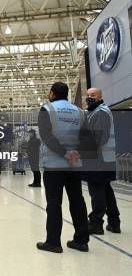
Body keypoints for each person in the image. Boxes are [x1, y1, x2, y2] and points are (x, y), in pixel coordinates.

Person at [36, 82, 89, 253]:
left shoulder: (47, 109)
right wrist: (75, 153)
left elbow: (46, 136)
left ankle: (53, 242)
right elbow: (87, 137)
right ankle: (81, 241)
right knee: (77, 201)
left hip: (53, 165)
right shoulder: (80, 112)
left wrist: (64, 153)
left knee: (53, 202)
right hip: (74, 165)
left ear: (52, 93)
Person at [84, 87, 120, 234]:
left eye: (92, 95)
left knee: (96, 190)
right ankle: (114, 222)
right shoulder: (94, 112)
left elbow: (99, 139)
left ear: (100, 97)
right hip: (103, 159)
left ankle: (96, 223)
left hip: (99, 159)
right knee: (105, 190)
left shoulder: (101, 113)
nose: (89, 98)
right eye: (87, 95)